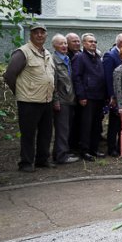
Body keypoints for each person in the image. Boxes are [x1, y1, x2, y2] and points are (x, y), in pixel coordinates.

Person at [4, 24, 55, 172]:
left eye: (42, 33)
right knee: (28, 134)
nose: (39, 35)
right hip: (28, 101)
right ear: (30, 35)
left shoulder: (47, 53)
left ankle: (42, 160)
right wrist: (20, 92)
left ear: (46, 35)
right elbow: (9, 75)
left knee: (46, 133)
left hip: (46, 99)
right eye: (36, 33)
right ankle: (26, 163)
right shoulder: (22, 52)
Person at [73, 33, 107, 161]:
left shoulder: (97, 57)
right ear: (83, 43)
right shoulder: (80, 57)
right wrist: (81, 95)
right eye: (90, 41)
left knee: (96, 125)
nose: (93, 43)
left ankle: (94, 149)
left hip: (99, 96)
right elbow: (77, 77)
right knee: (86, 125)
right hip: (87, 96)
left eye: (95, 41)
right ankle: (84, 150)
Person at [50, 34, 79, 164]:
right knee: (62, 129)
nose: (64, 46)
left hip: (69, 99)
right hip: (61, 100)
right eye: (61, 44)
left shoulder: (67, 58)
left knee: (66, 128)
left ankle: (60, 152)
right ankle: (61, 156)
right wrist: (55, 100)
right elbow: (53, 82)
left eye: (65, 43)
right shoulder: (53, 60)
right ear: (54, 46)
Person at [103, 33, 122, 157]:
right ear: (121, 43)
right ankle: (111, 148)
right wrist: (112, 96)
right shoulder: (110, 55)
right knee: (114, 123)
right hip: (116, 95)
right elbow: (108, 78)